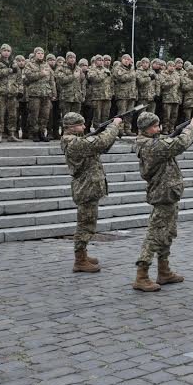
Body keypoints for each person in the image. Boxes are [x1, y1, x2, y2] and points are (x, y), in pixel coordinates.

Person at [131, 112, 193, 291]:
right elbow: (179, 144)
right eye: (155, 126)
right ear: (146, 128)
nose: (159, 129)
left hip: (168, 193)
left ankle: (164, 270)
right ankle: (142, 275)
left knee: (168, 232)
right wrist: (191, 127)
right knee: (155, 234)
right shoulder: (149, 145)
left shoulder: (152, 141)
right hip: (162, 194)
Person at [60, 112, 121, 272]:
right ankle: (79, 260)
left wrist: (107, 131)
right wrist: (114, 125)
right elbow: (101, 142)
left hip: (89, 186)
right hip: (85, 187)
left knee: (88, 222)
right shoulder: (72, 142)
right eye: (81, 124)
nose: (85, 127)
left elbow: (102, 145)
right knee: (85, 225)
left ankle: (83, 254)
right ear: (71, 127)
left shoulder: (77, 139)